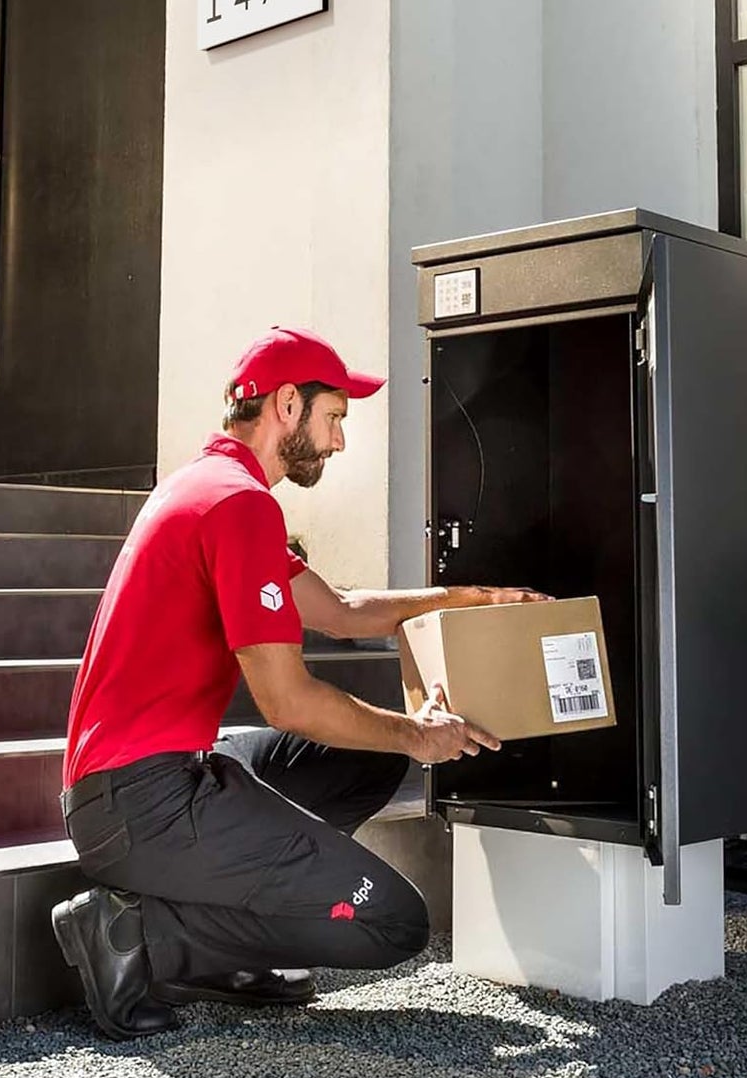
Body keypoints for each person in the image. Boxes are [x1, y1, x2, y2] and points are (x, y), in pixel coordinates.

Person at [50, 326, 545, 1039]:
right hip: (141, 801)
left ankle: (230, 944)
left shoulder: (211, 487)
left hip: (148, 779)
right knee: (392, 922)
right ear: (287, 404)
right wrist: (419, 733)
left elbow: (341, 612)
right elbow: (287, 700)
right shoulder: (238, 504)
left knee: (370, 753)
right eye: (334, 417)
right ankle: (136, 932)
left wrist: (469, 599)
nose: (340, 441)